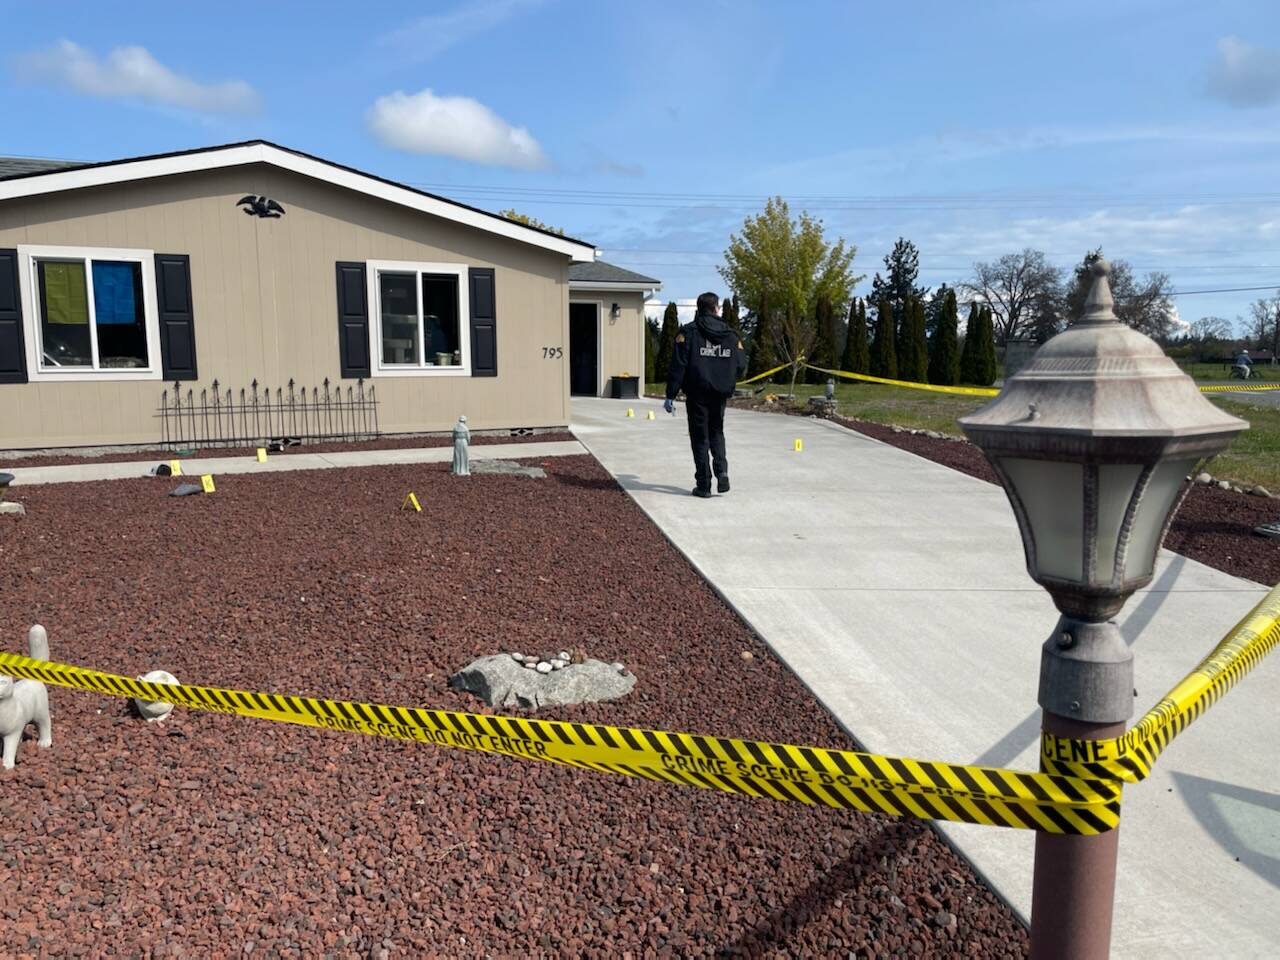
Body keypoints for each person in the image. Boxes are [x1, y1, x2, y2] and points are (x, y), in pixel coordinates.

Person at [664, 292, 748, 497]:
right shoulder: (731, 335)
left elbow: (679, 365)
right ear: (716, 308)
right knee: (717, 432)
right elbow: (741, 364)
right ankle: (722, 472)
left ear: (698, 308)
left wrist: (670, 394)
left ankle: (703, 484)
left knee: (700, 436)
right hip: (719, 393)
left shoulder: (688, 333)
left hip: (697, 393)